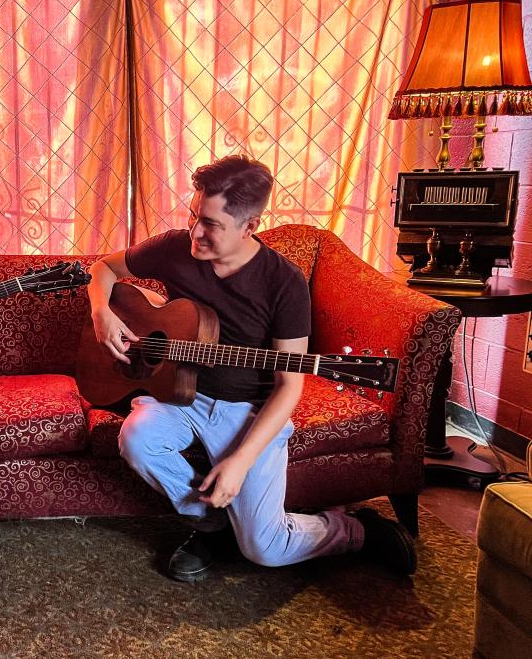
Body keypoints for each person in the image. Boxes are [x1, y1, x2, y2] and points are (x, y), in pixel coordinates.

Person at [86, 155, 416, 582]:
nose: (195, 232)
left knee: (266, 550)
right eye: (193, 215)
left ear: (250, 226)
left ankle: (355, 531)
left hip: (249, 411)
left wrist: (241, 460)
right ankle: (210, 525)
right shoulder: (173, 249)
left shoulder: (284, 283)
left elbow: (288, 385)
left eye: (211, 224)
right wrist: (102, 315)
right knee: (137, 437)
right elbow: (103, 269)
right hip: (180, 396)